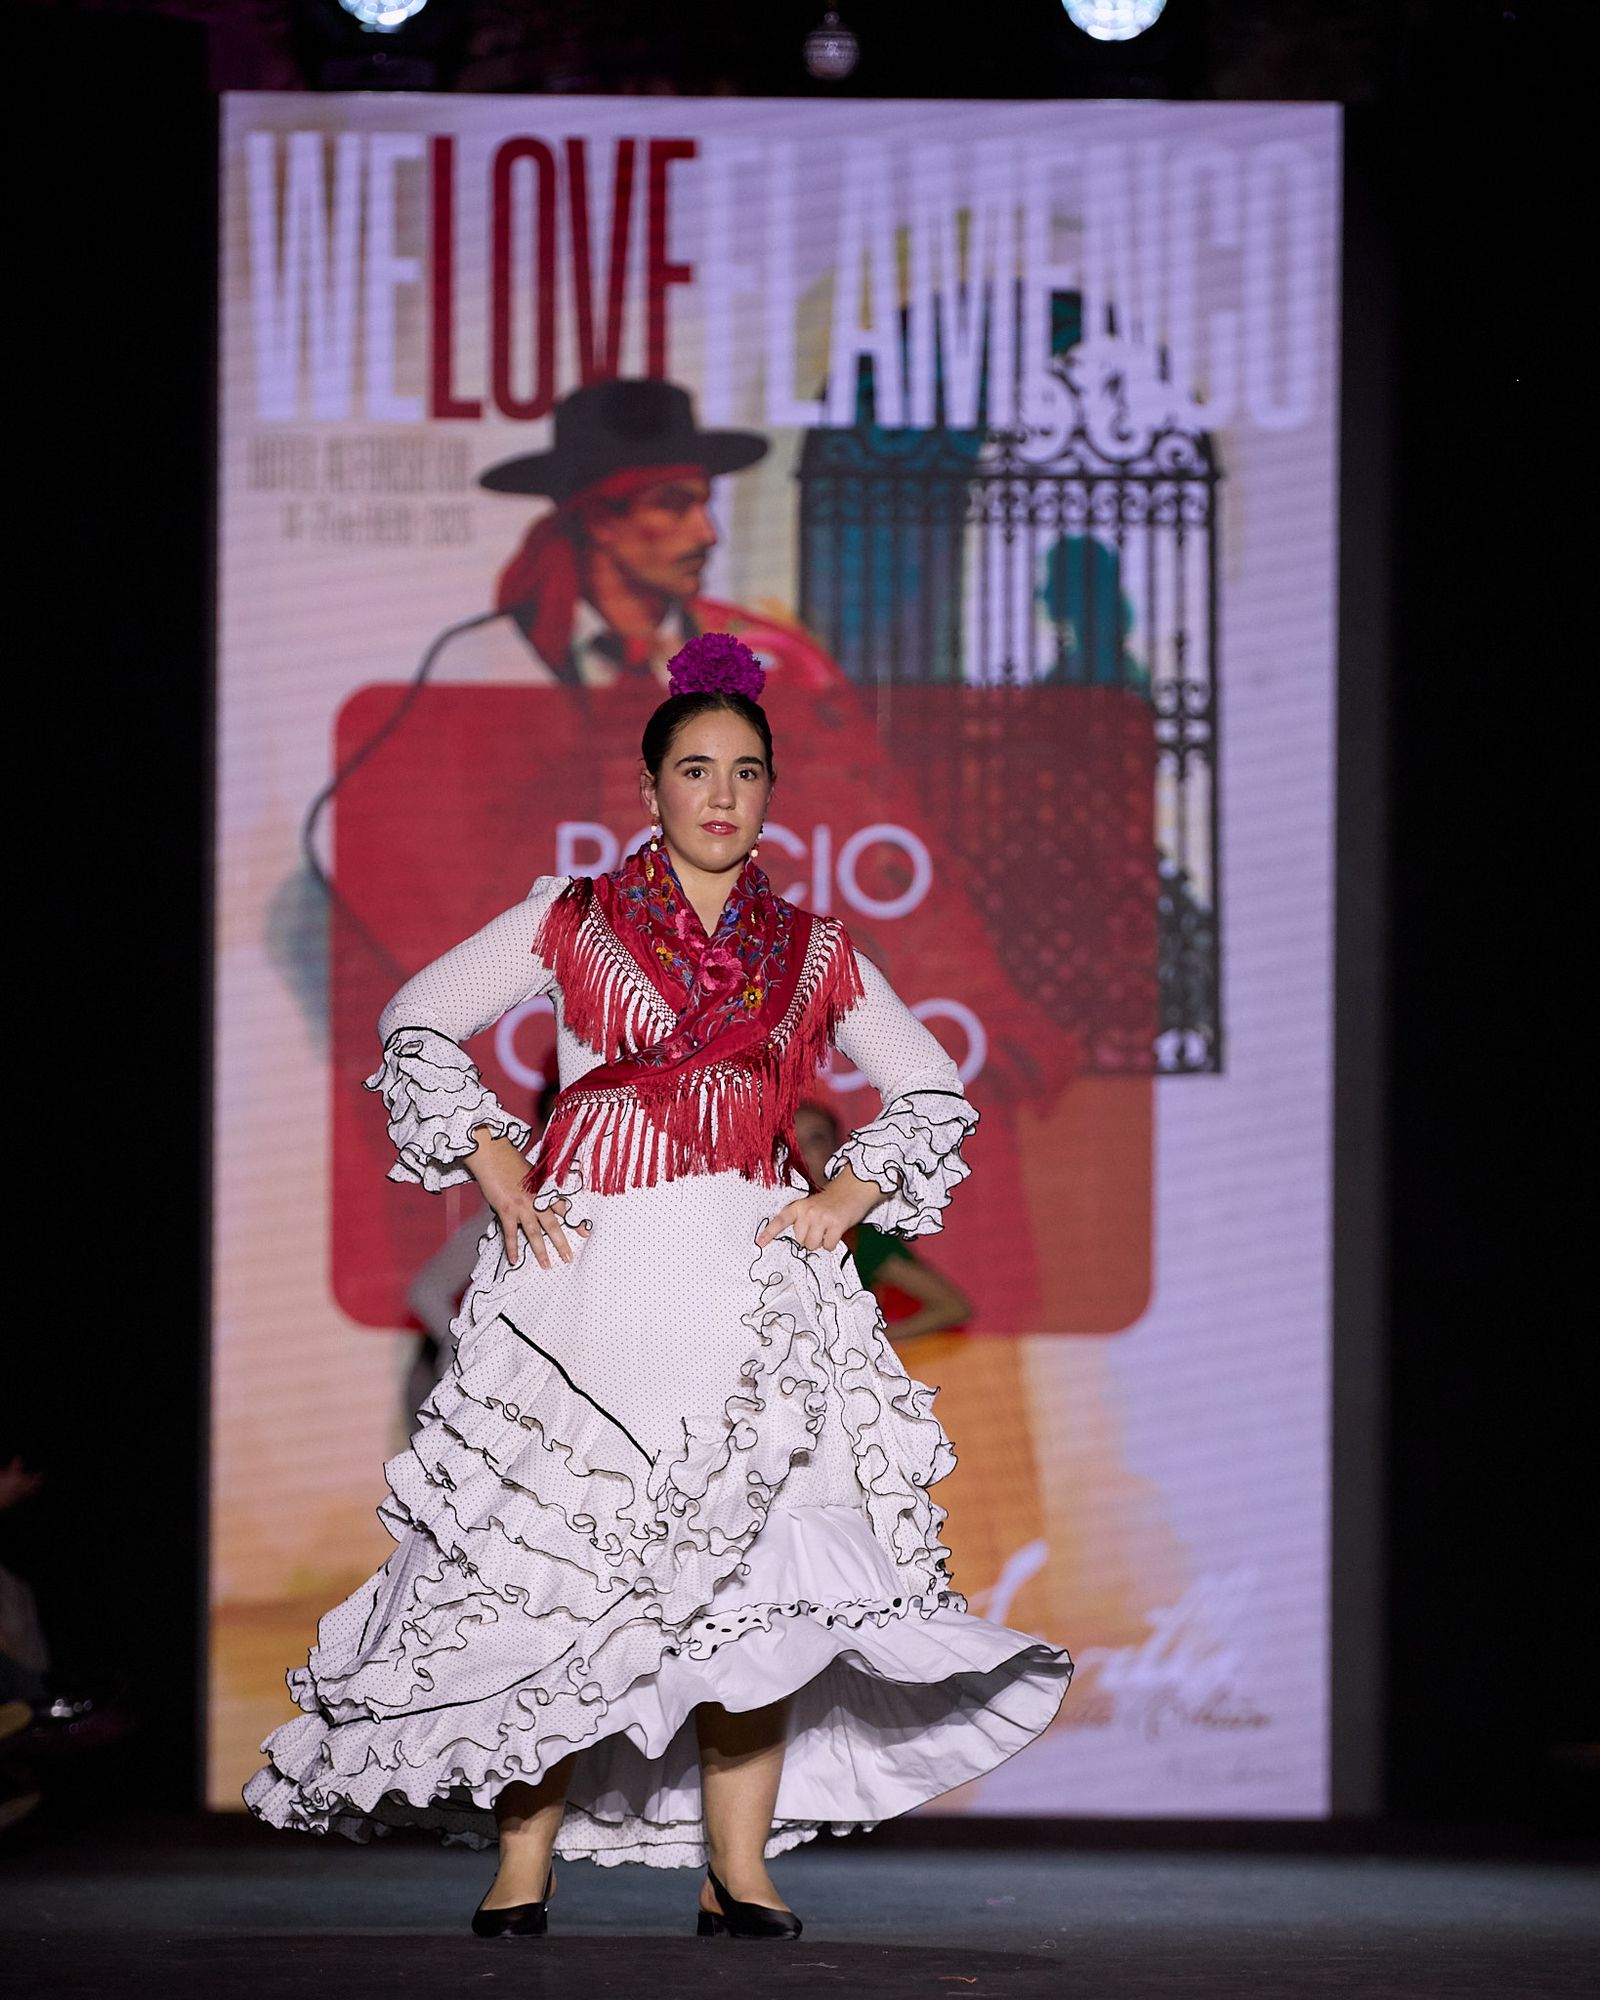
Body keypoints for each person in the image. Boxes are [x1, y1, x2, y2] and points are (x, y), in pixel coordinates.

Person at [245, 634, 1072, 1940]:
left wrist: (843, 1199)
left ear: (770, 793)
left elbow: (928, 1086)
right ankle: (524, 1863)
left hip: (746, 1286)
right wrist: (497, 1160)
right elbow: (417, 1015)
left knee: (755, 1586)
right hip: (594, 1279)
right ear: (650, 790)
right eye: (696, 770)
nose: (722, 796)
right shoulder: (571, 919)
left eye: (747, 772)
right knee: (554, 1570)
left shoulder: (813, 948)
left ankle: (736, 1869)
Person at [435, 377, 842, 690]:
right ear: (600, 521)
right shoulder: (487, 657)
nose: (708, 535)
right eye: (673, 505)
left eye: (705, 505)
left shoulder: (767, 656)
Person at [792, 1099, 973, 1344]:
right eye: (789, 1141)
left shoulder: (857, 1232)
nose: (801, 1150)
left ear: (836, 1151)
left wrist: (872, 1343)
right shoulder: (751, 1223)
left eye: (815, 1139)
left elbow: (953, 1307)